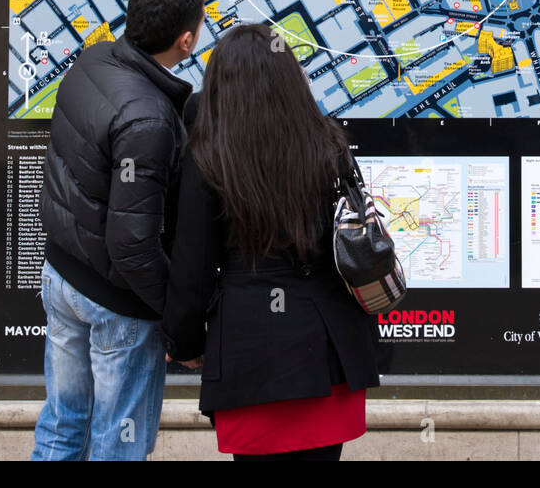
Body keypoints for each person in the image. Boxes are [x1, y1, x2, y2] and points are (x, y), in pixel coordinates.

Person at [162, 23, 380, 461]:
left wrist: (184, 345)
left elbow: (193, 265)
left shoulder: (208, 155)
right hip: (326, 346)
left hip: (251, 351)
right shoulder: (328, 141)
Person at [32, 0, 205, 460]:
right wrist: (177, 318)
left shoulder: (93, 60)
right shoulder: (148, 118)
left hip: (63, 275)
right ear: (186, 40)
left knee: (64, 423)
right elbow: (132, 244)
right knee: (118, 444)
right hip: (115, 305)